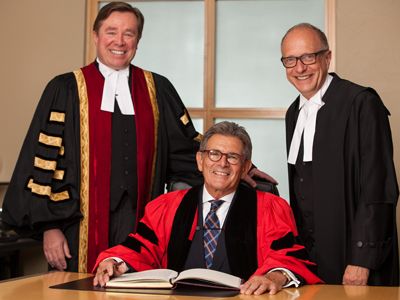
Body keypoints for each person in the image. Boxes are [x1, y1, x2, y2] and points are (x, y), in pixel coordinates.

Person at [1, 2, 273, 274]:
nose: (119, 41)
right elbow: (41, 163)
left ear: (138, 41)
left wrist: (242, 168)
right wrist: (50, 228)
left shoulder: (157, 89)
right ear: (95, 36)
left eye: (129, 33)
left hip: (141, 228)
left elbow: (190, 148)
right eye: (111, 32)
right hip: (75, 229)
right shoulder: (66, 88)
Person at [92, 121, 322, 295]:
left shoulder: (270, 208)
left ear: (245, 167)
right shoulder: (166, 206)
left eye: (232, 157)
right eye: (214, 154)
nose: (222, 163)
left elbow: (288, 256)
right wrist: (115, 262)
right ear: (200, 161)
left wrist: (275, 277)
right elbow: (142, 248)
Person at [281, 23, 399, 285]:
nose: (299, 68)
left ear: (327, 57)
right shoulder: (293, 113)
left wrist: (361, 259)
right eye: (290, 60)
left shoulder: (362, 103)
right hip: (312, 256)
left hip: (355, 258)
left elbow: (378, 188)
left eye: (308, 57)